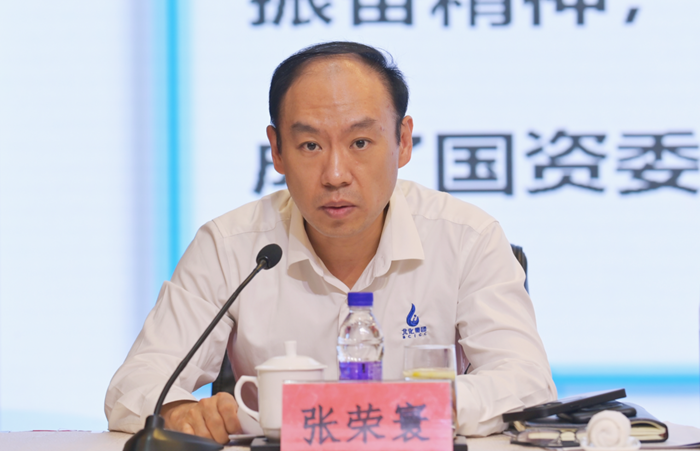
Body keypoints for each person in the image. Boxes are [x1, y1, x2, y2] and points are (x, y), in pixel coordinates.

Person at [105, 41, 557, 444]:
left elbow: (528, 383)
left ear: (402, 141)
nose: (336, 175)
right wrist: (176, 411)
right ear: (277, 150)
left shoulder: (467, 238)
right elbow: (137, 381)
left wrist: (411, 407)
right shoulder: (230, 247)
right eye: (310, 146)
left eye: (360, 142)